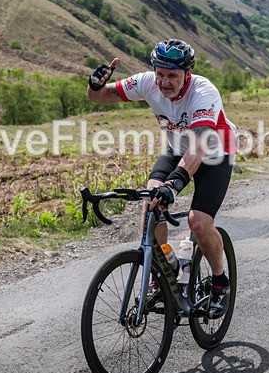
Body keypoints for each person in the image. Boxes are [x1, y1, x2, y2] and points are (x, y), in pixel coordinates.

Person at [86, 39, 237, 319]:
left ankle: (220, 283)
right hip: (177, 149)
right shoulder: (147, 82)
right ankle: (165, 268)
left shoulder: (203, 91)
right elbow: (101, 97)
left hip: (215, 152)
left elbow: (200, 143)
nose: (164, 82)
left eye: (172, 76)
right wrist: (95, 85)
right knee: (151, 204)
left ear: (187, 75)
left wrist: (176, 183)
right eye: (160, 73)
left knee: (199, 221)